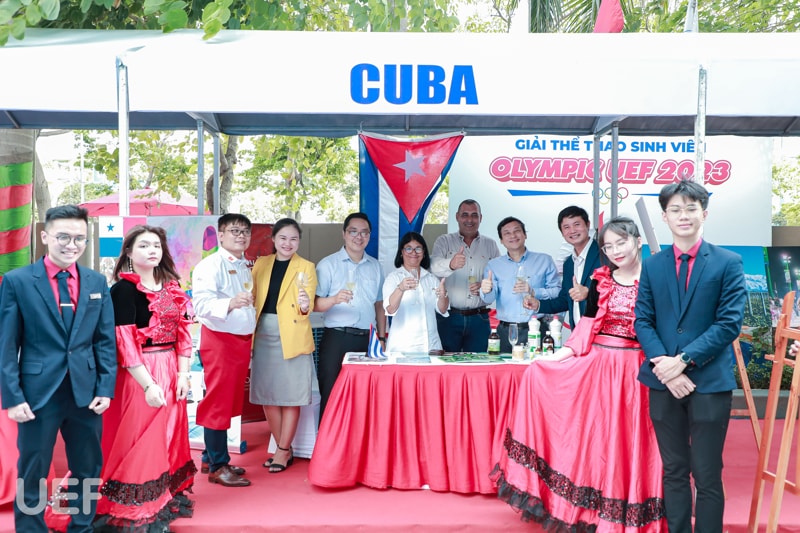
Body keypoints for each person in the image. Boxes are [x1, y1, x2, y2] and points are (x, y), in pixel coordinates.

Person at [492, 217, 666, 532]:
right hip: (599, 367)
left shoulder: (657, 280)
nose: (616, 251)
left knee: (631, 439)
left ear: (638, 241)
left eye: (622, 242)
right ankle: (592, 511)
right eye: (609, 246)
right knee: (598, 440)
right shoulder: (602, 280)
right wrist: (554, 358)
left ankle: (627, 508)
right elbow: (587, 326)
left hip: (636, 372)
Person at [635, 179, 746, 532]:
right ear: (665, 217)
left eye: (690, 209)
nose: (683, 216)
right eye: (675, 210)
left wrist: (682, 362)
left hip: (709, 382)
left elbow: (728, 324)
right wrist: (665, 367)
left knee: (708, 473)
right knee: (674, 470)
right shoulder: (653, 265)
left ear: (704, 214)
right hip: (663, 383)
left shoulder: (728, 262)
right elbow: (643, 320)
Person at [0, 205, 116, 532]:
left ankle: (82, 526)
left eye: (79, 238)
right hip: (37, 394)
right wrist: (13, 398)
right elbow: (6, 344)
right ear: (45, 236)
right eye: (63, 236)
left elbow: (105, 340)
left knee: (87, 468)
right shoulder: (18, 281)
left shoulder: (96, 281)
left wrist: (105, 388)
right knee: (33, 470)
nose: (71, 245)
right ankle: (30, 529)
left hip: (86, 394)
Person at [191, 213, 256, 487]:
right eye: (234, 231)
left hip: (239, 340)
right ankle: (218, 465)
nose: (241, 236)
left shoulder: (244, 265)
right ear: (220, 235)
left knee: (227, 401)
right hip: (220, 340)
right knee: (218, 401)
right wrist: (230, 303)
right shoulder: (210, 266)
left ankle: (210, 457)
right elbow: (201, 306)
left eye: (245, 231)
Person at [250, 218, 316, 473]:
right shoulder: (261, 264)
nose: (288, 243)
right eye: (283, 238)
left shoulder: (306, 267)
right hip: (263, 334)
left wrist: (305, 305)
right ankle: (283, 448)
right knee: (267, 396)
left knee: (290, 396)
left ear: (299, 241)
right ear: (274, 239)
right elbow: (252, 297)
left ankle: (282, 449)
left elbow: (307, 304)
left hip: (292, 334)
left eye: (293, 239)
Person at [314, 212, 385, 424]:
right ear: (344, 234)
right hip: (337, 338)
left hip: (368, 340)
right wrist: (334, 299)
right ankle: (328, 442)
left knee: (365, 397)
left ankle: (361, 442)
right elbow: (314, 305)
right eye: (353, 231)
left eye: (364, 232)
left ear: (369, 236)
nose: (358, 237)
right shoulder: (327, 264)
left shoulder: (375, 266)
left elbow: (379, 304)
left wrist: (382, 337)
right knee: (331, 394)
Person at [480, 216, 560, 353]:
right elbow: (488, 299)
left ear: (525, 235)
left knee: (537, 366)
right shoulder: (494, 265)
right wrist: (486, 290)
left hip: (536, 328)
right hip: (505, 331)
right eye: (507, 233)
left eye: (517, 231)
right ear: (501, 240)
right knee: (505, 366)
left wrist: (534, 292)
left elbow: (557, 291)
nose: (513, 236)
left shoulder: (544, 260)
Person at [430, 199, 500, 352]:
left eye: (474, 215)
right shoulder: (444, 241)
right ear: (457, 217)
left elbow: (498, 278)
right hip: (448, 317)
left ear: (481, 218)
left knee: (479, 362)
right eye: (465, 215)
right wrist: (451, 264)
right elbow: (433, 267)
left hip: (479, 318)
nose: (469, 220)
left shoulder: (490, 245)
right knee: (446, 362)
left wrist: (485, 286)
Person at [525, 205, 601, 329]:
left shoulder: (604, 255)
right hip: (579, 333)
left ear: (588, 225)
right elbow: (565, 300)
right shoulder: (569, 264)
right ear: (562, 232)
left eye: (577, 224)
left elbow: (616, 292)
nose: (572, 231)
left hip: (603, 332)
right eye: (566, 227)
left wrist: (589, 293)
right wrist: (538, 304)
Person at [383, 232, 449, 354]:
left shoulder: (431, 279)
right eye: (408, 248)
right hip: (403, 347)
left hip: (430, 345)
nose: (413, 253)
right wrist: (400, 289)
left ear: (424, 253)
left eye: (418, 248)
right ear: (401, 252)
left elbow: (443, 309)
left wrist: (443, 295)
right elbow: (390, 309)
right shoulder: (393, 278)